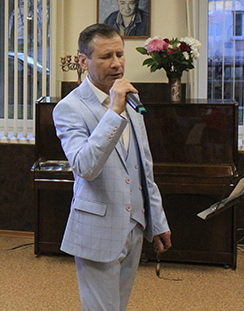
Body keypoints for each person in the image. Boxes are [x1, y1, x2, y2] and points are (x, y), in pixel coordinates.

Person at [53, 23, 171, 311]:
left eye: (120, 54)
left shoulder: (132, 100)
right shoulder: (69, 108)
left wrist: (157, 221)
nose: (116, 63)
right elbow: (85, 167)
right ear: (83, 61)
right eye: (106, 56)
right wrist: (114, 112)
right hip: (97, 227)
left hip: (134, 226)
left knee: (118, 306)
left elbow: (144, 168)